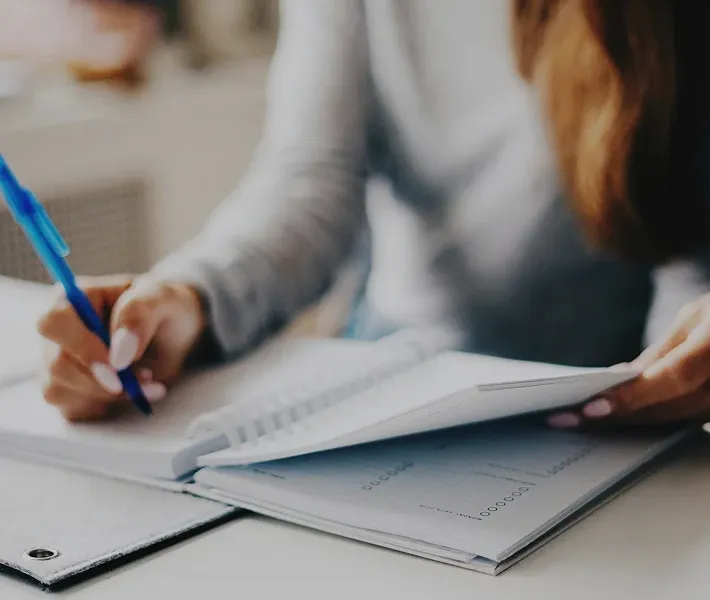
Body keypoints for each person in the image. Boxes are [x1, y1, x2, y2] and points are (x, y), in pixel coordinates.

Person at [36, 1, 710, 428]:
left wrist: (675, 383)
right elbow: (313, 178)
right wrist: (189, 297)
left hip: (618, 413)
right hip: (394, 392)